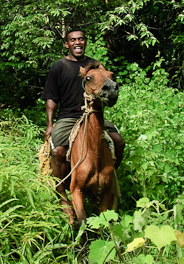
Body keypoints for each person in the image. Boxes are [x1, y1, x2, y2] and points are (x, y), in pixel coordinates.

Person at [41, 28, 125, 223]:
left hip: (94, 115)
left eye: (80, 39)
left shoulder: (94, 65)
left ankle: (108, 180)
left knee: (118, 142)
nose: (77, 42)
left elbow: (107, 85)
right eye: (73, 40)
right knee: (58, 151)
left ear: (85, 42)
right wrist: (50, 124)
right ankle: (62, 194)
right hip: (69, 116)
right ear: (67, 44)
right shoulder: (59, 66)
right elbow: (51, 98)